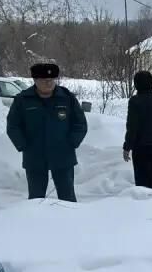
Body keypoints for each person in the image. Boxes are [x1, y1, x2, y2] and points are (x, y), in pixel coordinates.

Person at [5, 62, 89, 202]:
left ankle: (70, 222)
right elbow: (13, 126)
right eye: (45, 80)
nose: (49, 83)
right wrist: (24, 145)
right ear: (35, 80)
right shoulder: (23, 100)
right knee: (36, 198)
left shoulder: (67, 98)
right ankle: (37, 223)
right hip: (35, 157)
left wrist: (71, 143)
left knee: (67, 197)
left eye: (52, 80)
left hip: (63, 155)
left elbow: (80, 123)